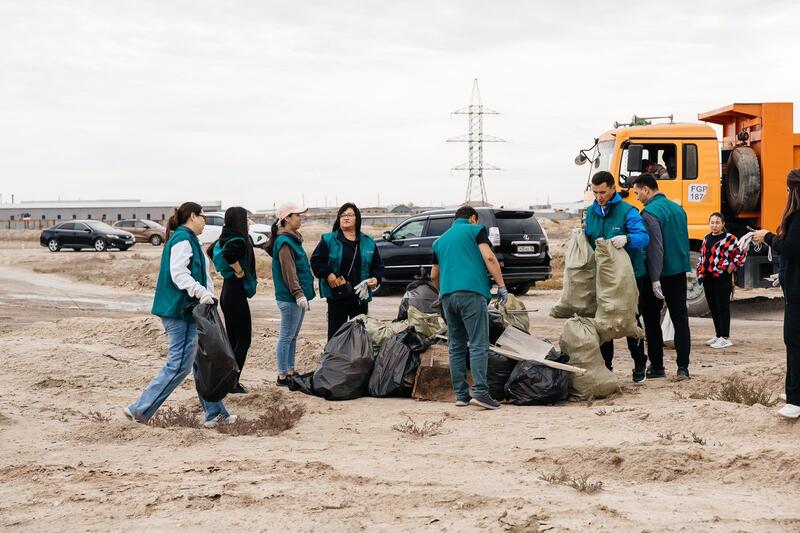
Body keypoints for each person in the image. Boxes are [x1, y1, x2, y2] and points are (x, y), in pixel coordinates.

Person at [124, 202, 236, 428]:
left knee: (200, 364)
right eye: (203, 216)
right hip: (180, 311)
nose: (205, 221)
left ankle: (215, 413)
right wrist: (201, 292)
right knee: (178, 365)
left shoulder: (188, 239)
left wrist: (206, 294)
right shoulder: (183, 239)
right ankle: (140, 410)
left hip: (189, 311)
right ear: (193, 216)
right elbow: (179, 274)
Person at [430, 206, 509, 410]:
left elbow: (434, 275)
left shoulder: (440, 241)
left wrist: (441, 293)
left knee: (456, 346)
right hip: (471, 294)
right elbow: (489, 257)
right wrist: (501, 286)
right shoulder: (476, 230)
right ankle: (481, 392)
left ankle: (461, 395)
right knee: (478, 343)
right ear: (473, 218)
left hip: (448, 297)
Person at [584, 171, 650, 382]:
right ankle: (607, 367)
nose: (599, 197)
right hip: (603, 276)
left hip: (629, 275)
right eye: (595, 192)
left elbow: (643, 237)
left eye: (603, 192)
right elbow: (588, 237)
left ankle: (639, 363)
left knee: (629, 319)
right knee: (604, 320)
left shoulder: (628, 211)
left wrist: (627, 239)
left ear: (613, 188)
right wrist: (580, 238)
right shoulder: (591, 212)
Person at [633, 173, 692, 381]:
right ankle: (683, 367)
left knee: (651, 319)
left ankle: (657, 366)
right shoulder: (678, 209)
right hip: (679, 271)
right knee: (680, 319)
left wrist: (655, 278)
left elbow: (655, 248)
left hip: (657, 273)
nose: (637, 197)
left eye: (637, 192)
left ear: (646, 189)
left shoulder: (649, 213)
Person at [753, 168, 800, 418]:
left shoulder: (797, 216)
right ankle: (793, 391)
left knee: (793, 341)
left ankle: (795, 400)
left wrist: (768, 237)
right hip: (794, 287)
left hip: (797, 291)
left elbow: (791, 247)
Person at [311, 203, 384, 340]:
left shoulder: (368, 242)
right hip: (337, 295)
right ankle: (335, 354)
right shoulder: (328, 240)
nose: (346, 217)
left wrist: (376, 278)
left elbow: (378, 266)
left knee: (359, 336)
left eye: (350, 215)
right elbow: (316, 261)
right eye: (342, 215)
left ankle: (357, 355)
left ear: (357, 218)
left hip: (360, 297)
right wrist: (328, 274)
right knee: (336, 335)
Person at [207, 206, 257, 393]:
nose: (248, 222)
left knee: (233, 340)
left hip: (227, 292)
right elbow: (229, 254)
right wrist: (239, 270)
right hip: (236, 293)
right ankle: (231, 382)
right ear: (239, 221)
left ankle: (228, 380)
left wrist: (227, 270)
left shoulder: (224, 237)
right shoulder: (238, 240)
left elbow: (211, 251)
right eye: (245, 219)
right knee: (244, 340)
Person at [268, 203, 315, 387]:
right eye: (297, 215)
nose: (300, 218)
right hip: (290, 298)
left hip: (296, 296)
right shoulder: (284, 242)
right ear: (287, 218)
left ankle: (290, 370)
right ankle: (282, 375)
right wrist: (298, 294)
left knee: (292, 336)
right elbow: (289, 272)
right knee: (286, 336)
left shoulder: (293, 239)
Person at [696, 212, 746, 349]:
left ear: (723, 224)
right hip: (708, 277)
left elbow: (741, 252)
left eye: (717, 222)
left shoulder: (730, 238)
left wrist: (731, 267)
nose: (714, 225)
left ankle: (725, 337)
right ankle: (718, 335)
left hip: (722, 278)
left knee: (722, 307)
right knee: (713, 306)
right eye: (712, 222)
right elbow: (702, 255)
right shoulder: (706, 238)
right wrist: (699, 271)